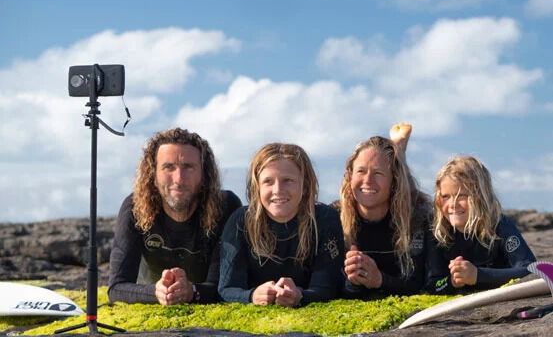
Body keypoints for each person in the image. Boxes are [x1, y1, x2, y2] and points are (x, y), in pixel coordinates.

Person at [108, 128, 242, 305]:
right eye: (168, 167)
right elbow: (117, 288)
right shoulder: (135, 207)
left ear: (204, 175)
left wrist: (192, 291)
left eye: (188, 167)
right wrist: (155, 292)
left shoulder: (225, 206)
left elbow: (225, 287)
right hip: (152, 297)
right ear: (153, 175)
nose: (179, 179)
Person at [218, 143, 344, 307]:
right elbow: (227, 288)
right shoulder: (241, 221)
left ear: (305, 186)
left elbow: (327, 287)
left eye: (288, 180)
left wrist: (299, 295)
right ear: (257, 187)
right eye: (268, 181)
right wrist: (252, 295)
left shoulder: (324, 219)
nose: (278, 190)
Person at [339, 123, 432, 298]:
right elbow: (326, 285)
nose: (367, 180)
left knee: (411, 198)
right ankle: (398, 148)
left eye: (378, 173)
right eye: (361, 171)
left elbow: (421, 284)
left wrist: (379, 279)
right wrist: (354, 280)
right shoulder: (334, 218)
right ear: (349, 176)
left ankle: (399, 150)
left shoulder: (417, 219)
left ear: (393, 180)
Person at [425, 155, 536, 294]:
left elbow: (530, 270)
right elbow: (432, 284)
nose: (452, 204)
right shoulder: (439, 233)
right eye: (445, 196)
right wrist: (453, 281)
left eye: (462, 195)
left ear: (481, 196)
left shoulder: (499, 226)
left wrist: (477, 275)